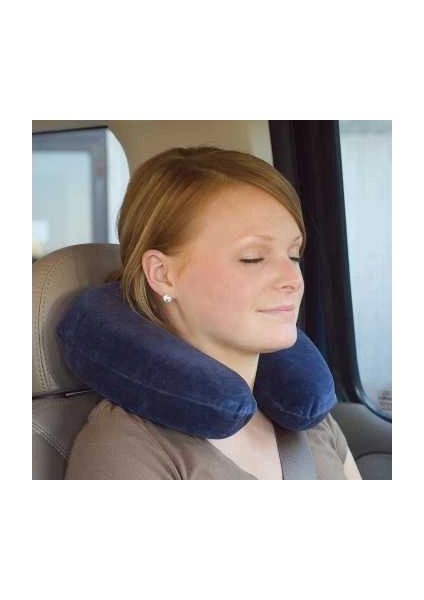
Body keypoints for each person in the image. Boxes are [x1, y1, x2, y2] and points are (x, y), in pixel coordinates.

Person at [65, 146, 362, 480]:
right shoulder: (126, 448)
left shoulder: (311, 418)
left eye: (294, 255)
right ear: (163, 275)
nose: (292, 279)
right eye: (253, 258)